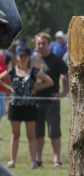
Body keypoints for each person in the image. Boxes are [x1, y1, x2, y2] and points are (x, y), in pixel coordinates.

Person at [0, 45, 53, 169]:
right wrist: (9, 88)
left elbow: (49, 81)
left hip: (29, 106)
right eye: (21, 55)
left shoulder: (33, 71)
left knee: (31, 135)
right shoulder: (12, 70)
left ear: (29, 57)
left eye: (25, 55)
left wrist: (36, 88)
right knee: (15, 135)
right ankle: (12, 161)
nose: (23, 58)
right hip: (15, 106)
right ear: (17, 57)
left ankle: (33, 161)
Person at [33, 32, 69, 168]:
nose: (41, 46)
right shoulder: (33, 60)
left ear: (49, 44)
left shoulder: (56, 59)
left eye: (44, 43)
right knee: (38, 132)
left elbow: (68, 75)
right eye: (39, 43)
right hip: (36, 102)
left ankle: (56, 160)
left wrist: (63, 93)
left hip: (52, 102)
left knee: (54, 132)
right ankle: (38, 159)